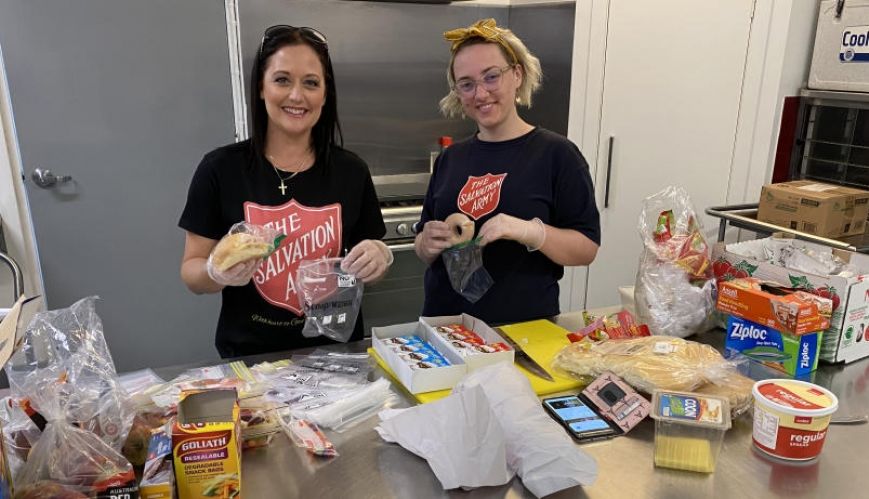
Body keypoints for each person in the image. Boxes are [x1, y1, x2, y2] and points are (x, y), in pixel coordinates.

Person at [179, 25, 391, 357]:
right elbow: (191, 272)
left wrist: (379, 256)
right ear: (261, 88)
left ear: (325, 94)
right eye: (282, 80)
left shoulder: (351, 170)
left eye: (311, 82)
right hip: (251, 359)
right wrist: (213, 272)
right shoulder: (220, 169)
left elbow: (372, 251)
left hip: (336, 354)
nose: (296, 95)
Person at [415, 18, 600, 324]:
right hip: (445, 329)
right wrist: (427, 243)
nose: (480, 93)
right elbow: (424, 248)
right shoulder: (452, 158)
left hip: (522, 331)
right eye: (467, 84)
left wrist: (530, 231)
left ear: (516, 74)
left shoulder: (557, 154)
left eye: (491, 77)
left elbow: (586, 249)